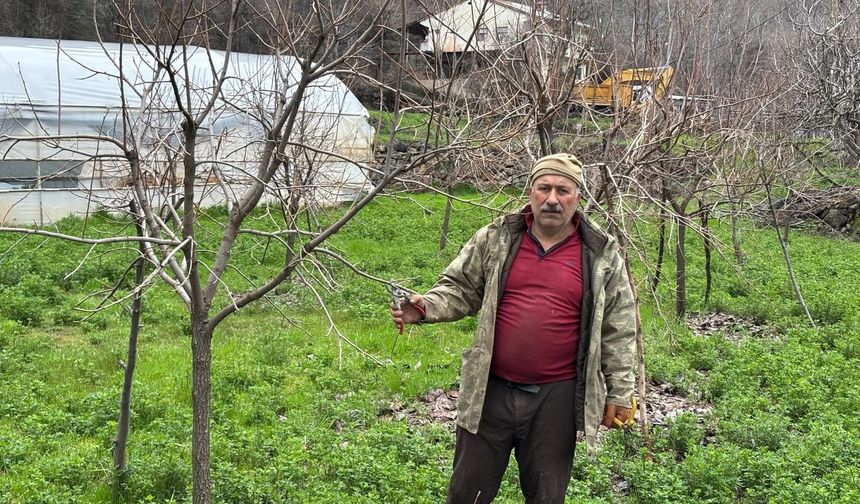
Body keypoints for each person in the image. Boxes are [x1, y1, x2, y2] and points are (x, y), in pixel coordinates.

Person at [390, 153, 637, 504]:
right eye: (544, 188)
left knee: (546, 495)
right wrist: (424, 307)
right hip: (489, 391)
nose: (552, 199)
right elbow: (460, 287)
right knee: (466, 494)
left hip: (556, 398)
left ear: (578, 196)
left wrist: (620, 391)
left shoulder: (600, 253)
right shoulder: (497, 237)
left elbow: (619, 325)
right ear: (531, 191)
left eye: (563, 190)